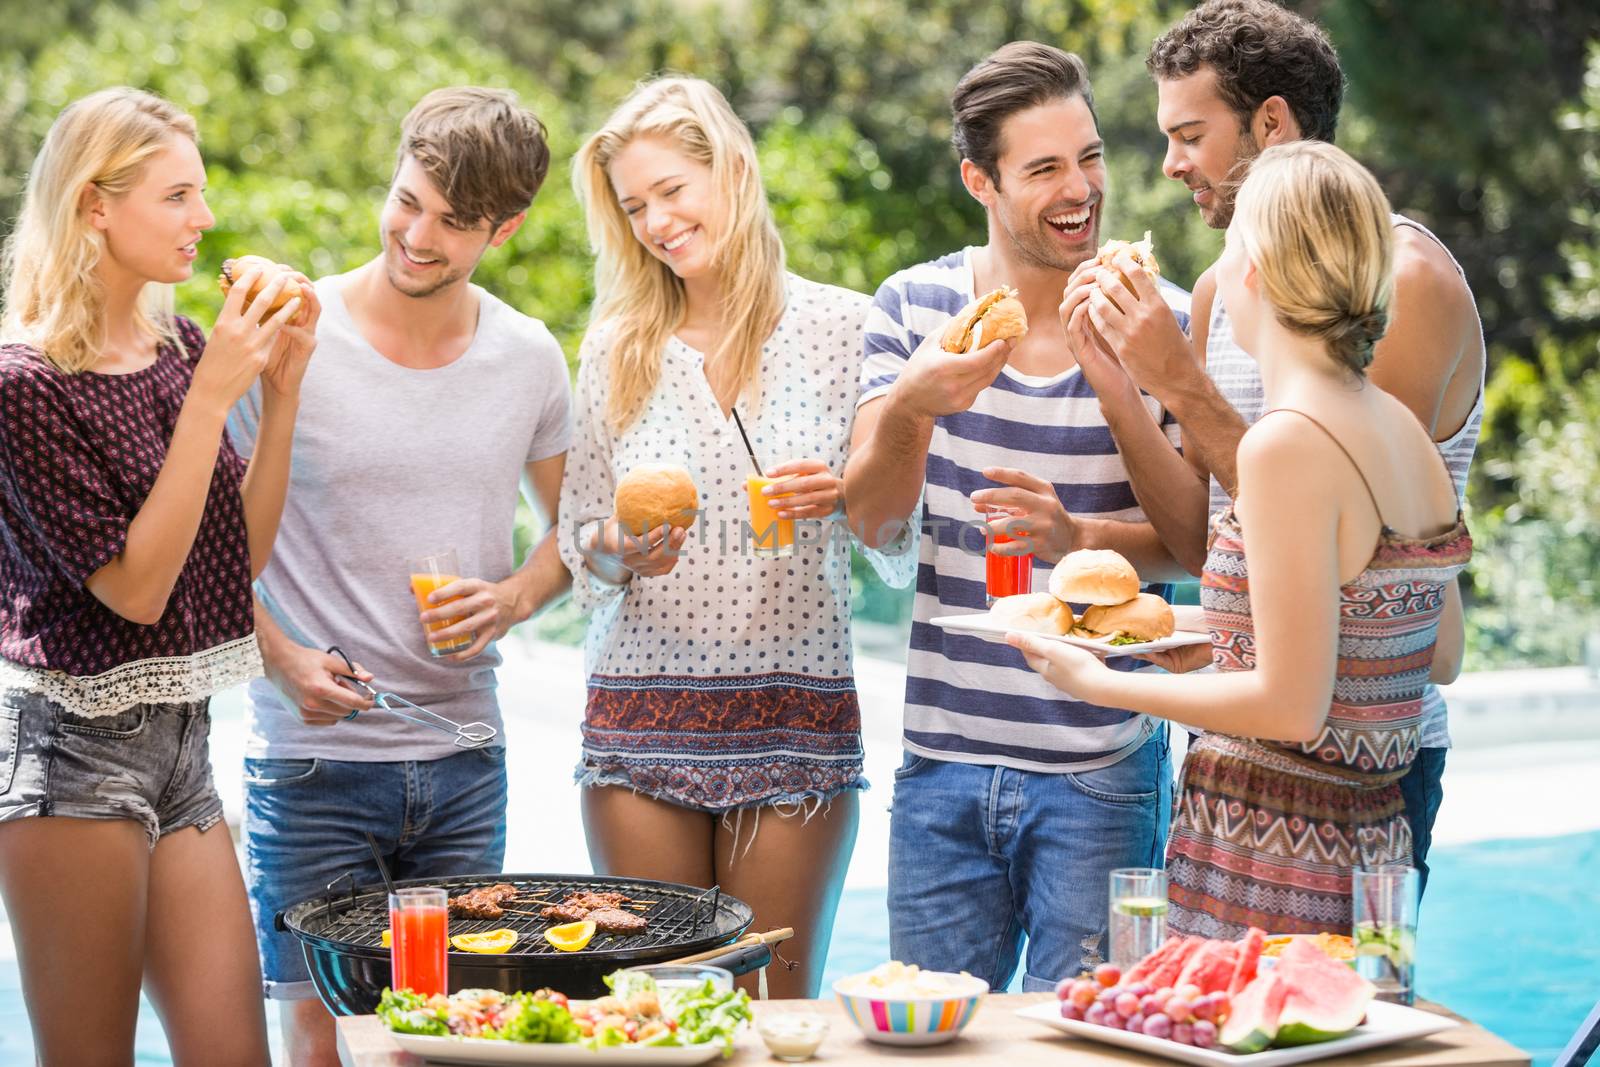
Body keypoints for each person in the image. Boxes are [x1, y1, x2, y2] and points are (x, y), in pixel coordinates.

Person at [1062, 0, 1485, 895]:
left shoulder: (1396, 300)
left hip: (1316, 795)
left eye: (1188, 134)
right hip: (1283, 781)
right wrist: (1122, 387)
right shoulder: (1367, 410)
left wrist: (1096, 680)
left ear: (1271, 123)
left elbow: (1324, 611)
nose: (1171, 165)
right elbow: (1245, 561)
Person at [230, 87, 572, 1066]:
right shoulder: (292, 335)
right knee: (320, 1025)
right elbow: (213, 549)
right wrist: (285, 656)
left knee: (453, 1030)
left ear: (503, 229)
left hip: (467, 756)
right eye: (407, 200)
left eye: (453, 223)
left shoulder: (527, 357)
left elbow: (573, 530)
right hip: (311, 761)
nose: (416, 236)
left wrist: (512, 597)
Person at [842, 43, 1190, 990]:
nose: (1081, 188)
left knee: (1091, 1046)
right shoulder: (913, 307)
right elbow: (871, 523)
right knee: (924, 1050)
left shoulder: (1164, 316)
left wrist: (1120, 389)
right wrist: (915, 403)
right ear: (979, 182)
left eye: (1090, 156)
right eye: (1044, 168)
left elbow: (1196, 546)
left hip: (1102, 771)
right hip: (941, 767)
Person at [562, 76, 907, 999]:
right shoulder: (617, 346)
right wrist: (614, 549)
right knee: (650, 1012)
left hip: (796, 719)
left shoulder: (847, 326)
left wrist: (840, 494)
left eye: (673, 190)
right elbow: (578, 551)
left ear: (733, 171)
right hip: (639, 717)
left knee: (771, 1013)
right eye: (635, 207)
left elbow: (895, 543)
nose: (657, 222)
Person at [0, 87, 315, 1064]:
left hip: (183, 747)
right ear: (96, 204)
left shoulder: (182, 347)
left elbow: (235, 561)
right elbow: (134, 590)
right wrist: (215, 396)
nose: (206, 219)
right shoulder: (24, 382)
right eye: (178, 195)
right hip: (71, 754)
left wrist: (281, 393)